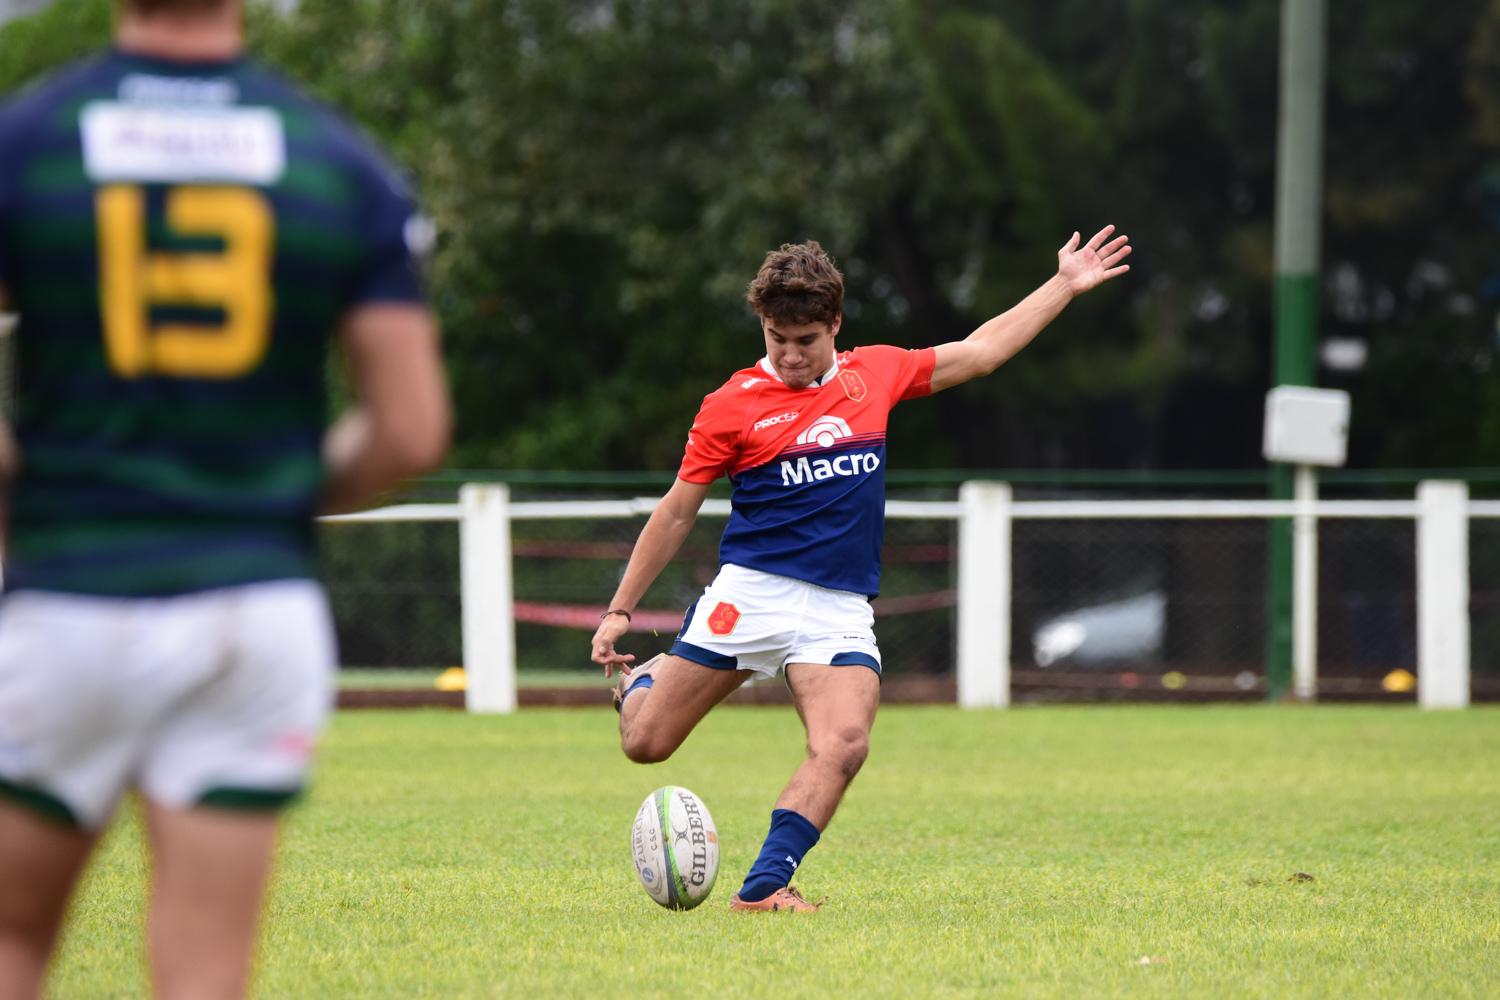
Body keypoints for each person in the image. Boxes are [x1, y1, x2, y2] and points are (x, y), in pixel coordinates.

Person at [0, 0, 451, 996]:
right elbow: (411, 427)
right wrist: (267, 501)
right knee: (204, 977)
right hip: (254, 610)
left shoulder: (29, 140)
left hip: (70, 593)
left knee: (14, 944)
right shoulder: (337, 160)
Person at [590, 231, 1129, 912]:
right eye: (776, 337)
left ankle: (763, 888)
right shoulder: (731, 404)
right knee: (646, 744)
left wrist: (1064, 285)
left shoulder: (873, 374)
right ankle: (644, 683)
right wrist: (619, 610)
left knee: (844, 743)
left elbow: (980, 352)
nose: (788, 353)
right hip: (749, 594)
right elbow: (675, 513)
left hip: (838, 608)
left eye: (805, 339)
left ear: (836, 326)